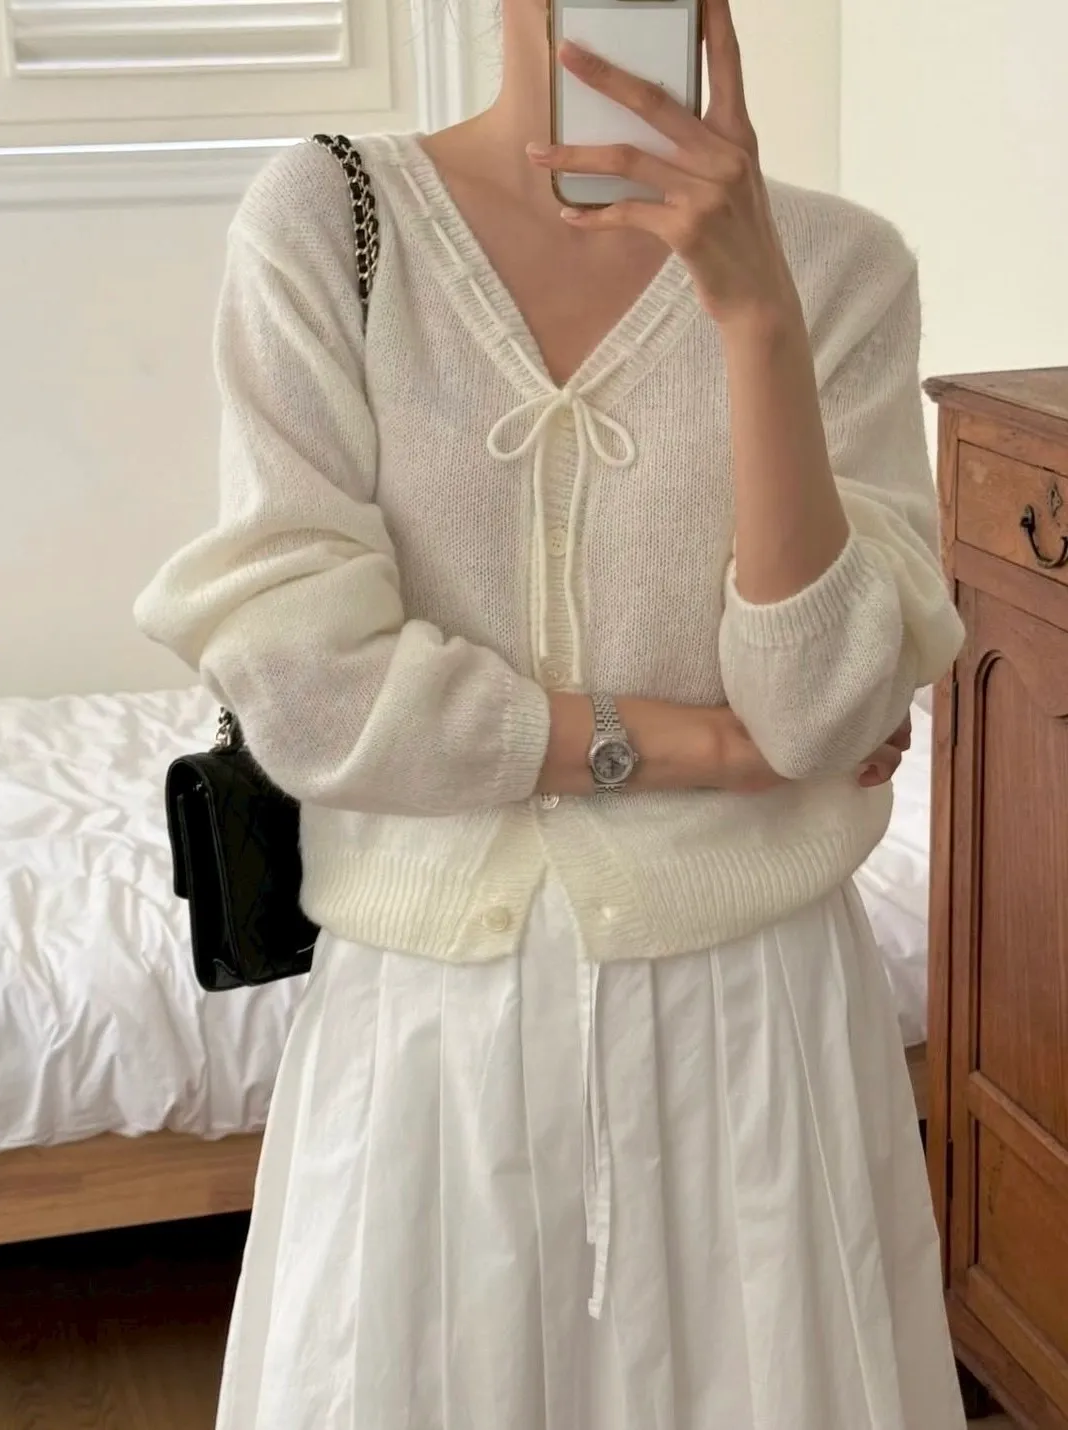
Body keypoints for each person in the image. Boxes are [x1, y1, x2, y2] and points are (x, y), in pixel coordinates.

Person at [134, 0, 968, 1425]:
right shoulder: (331, 221)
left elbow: (819, 712)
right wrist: (698, 745)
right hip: (430, 1037)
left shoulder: (841, 270)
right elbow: (308, 687)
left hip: (755, 1029)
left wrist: (755, 315)